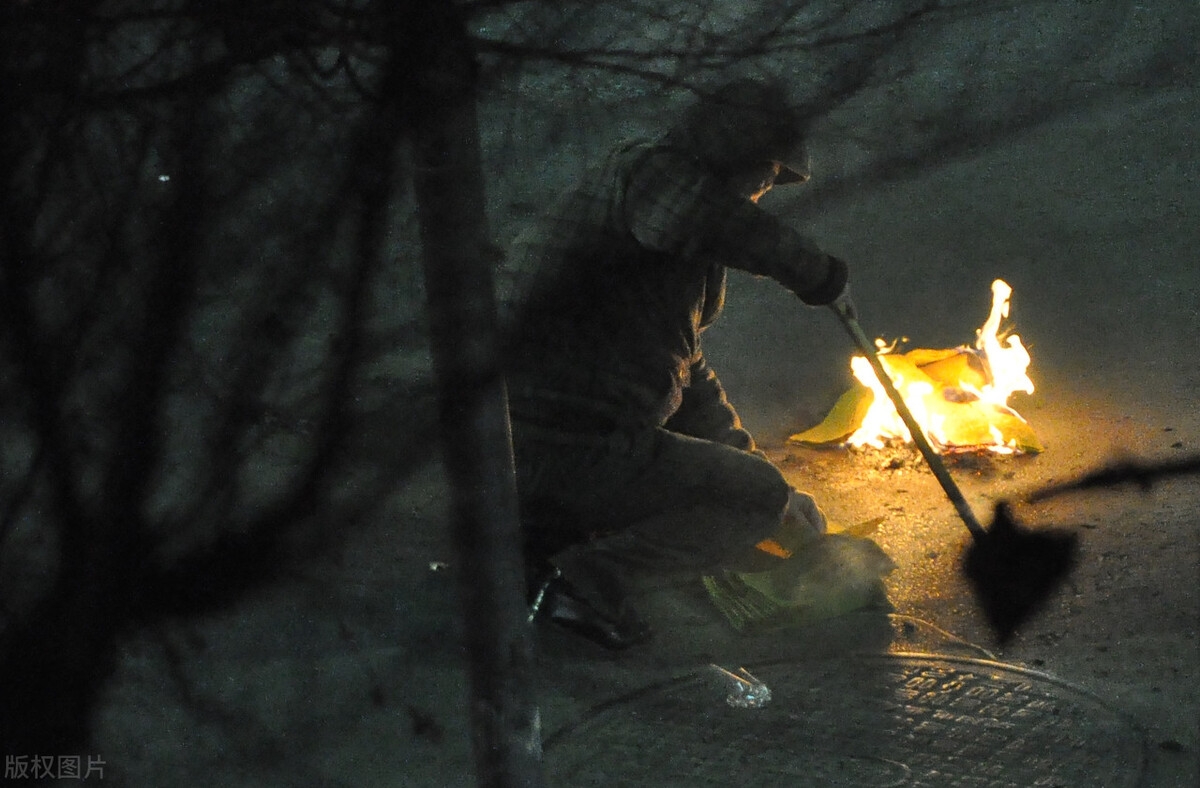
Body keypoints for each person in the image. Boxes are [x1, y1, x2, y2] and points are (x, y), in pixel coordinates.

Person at [504, 78, 867, 648]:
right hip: (546, 439)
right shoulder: (656, 177)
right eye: (768, 173)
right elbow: (712, 219)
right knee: (751, 498)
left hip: (543, 438)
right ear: (737, 158)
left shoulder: (660, 228)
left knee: (756, 493)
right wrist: (811, 270)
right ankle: (581, 583)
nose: (766, 189)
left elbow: (687, 377)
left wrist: (768, 486)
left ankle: (542, 537)